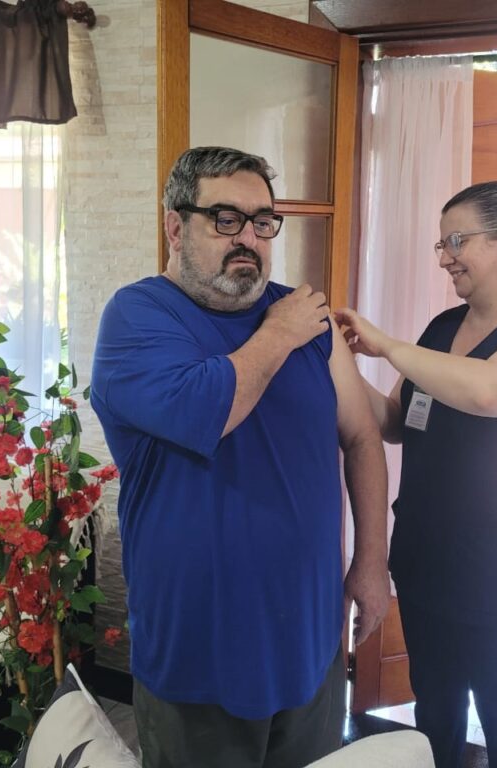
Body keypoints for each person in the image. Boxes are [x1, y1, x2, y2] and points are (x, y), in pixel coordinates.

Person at [90, 146, 390, 768]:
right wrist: (278, 333)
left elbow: (362, 436)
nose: (248, 237)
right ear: (176, 226)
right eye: (225, 219)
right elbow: (210, 409)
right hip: (198, 649)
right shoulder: (138, 316)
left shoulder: (308, 318)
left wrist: (371, 561)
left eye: (262, 221)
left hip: (309, 637)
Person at [335, 181, 497, 768]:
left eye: (457, 240)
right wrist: (342, 364)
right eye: (441, 243)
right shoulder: (443, 328)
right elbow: (397, 420)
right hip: (430, 568)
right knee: (435, 715)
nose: (445, 255)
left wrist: (386, 345)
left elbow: (489, 392)